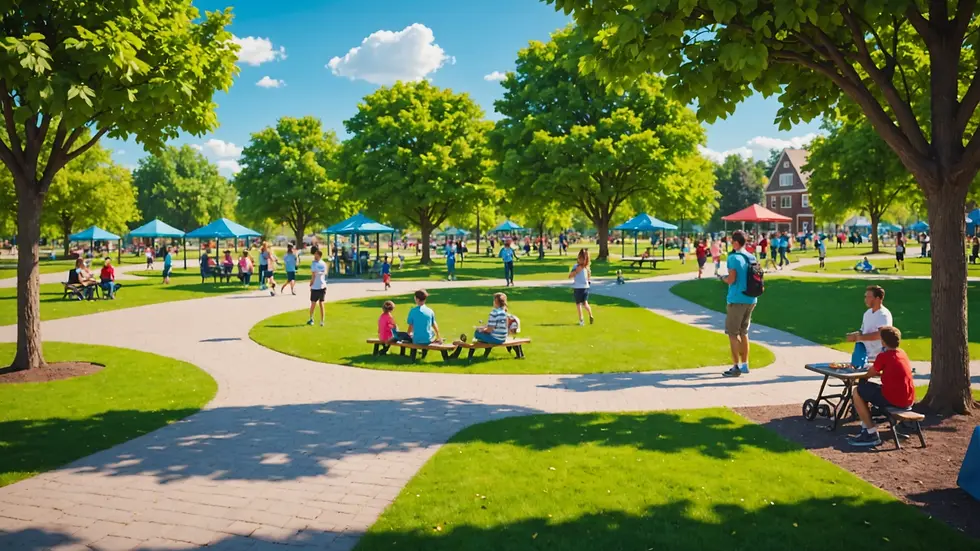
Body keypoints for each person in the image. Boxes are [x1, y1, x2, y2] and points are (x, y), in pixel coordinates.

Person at [847, 326, 915, 447]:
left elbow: (870, 373)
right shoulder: (902, 354)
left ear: (883, 341)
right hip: (908, 399)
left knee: (858, 391)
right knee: (868, 390)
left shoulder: (884, 356)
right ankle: (867, 426)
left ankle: (871, 432)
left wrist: (862, 374)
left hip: (894, 399)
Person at [721, 230, 757, 377]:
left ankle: (735, 366)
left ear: (735, 242)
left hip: (737, 300)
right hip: (751, 299)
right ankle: (745, 365)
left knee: (732, 333)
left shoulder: (733, 258)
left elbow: (732, 279)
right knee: (744, 332)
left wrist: (722, 278)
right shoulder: (751, 256)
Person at [845, 285, 893, 368]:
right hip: (863, 354)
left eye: (869, 297)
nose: (865, 299)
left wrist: (860, 338)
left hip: (877, 357)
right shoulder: (867, 313)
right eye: (865, 297)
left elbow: (881, 334)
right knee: (854, 378)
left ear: (878, 299)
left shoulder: (883, 315)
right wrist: (853, 335)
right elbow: (862, 331)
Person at [569, 248, 594, 326]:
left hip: (578, 288)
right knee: (585, 303)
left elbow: (570, 276)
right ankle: (590, 314)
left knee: (578, 304)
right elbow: (588, 278)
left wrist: (576, 271)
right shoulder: (587, 268)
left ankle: (581, 320)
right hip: (585, 287)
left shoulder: (577, 266)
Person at [307, 249, 328, 326]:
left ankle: (311, 318)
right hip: (322, 285)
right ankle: (322, 321)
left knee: (313, 303)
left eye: (316, 254)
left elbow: (313, 274)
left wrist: (311, 282)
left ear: (319, 255)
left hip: (316, 286)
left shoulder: (314, 264)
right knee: (321, 303)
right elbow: (325, 272)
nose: (314, 256)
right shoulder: (323, 264)